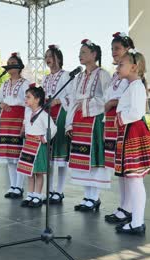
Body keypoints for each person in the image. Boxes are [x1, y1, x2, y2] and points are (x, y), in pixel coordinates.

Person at [114, 49, 150, 235]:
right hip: (129, 132)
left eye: (121, 64)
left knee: (135, 179)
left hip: (133, 132)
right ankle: (135, 220)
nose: (117, 67)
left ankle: (137, 222)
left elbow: (137, 112)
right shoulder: (132, 86)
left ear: (134, 67)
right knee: (132, 179)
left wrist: (120, 118)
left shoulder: (137, 87)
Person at [65, 39, 111, 212]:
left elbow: (106, 98)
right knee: (82, 159)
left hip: (94, 121)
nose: (80, 55)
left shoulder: (103, 74)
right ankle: (87, 196)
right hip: (79, 121)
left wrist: (88, 103)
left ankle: (95, 197)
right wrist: (69, 124)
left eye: (84, 52)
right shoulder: (79, 77)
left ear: (94, 54)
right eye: (80, 52)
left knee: (93, 158)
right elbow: (72, 101)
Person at [103, 32, 136, 224]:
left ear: (127, 50)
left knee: (128, 169)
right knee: (120, 169)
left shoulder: (132, 74)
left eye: (117, 48)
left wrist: (113, 102)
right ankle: (123, 206)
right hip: (113, 122)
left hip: (126, 123)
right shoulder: (116, 75)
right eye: (112, 49)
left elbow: (130, 96)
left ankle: (129, 208)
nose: (114, 52)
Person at [0, 52, 29, 199]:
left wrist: (25, 124)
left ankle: (19, 186)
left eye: (12, 62)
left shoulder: (25, 83)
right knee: (9, 155)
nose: (9, 65)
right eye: (8, 63)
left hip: (18, 119)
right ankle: (13, 186)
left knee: (18, 154)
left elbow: (28, 104)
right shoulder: (4, 84)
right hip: (6, 120)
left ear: (19, 66)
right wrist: (1, 104)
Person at [42, 44, 72, 204]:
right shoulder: (45, 78)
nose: (48, 59)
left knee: (60, 155)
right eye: (46, 56)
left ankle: (59, 190)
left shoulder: (66, 75)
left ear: (58, 58)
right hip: (47, 114)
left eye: (50, 56)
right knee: (50, 156)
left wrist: (59, 100)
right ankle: (50, 190)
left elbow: (72, 96)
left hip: (61, 113)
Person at [18, 86, 57, 208]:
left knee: (39, 173)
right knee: (29, 172)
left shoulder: (43, 115)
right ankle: (30, 194)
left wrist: (45, 138)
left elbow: (54, 128)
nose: (26, 99)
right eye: (26, 97)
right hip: (29, 144)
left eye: (28, 97)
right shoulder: (28, 112)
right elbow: (26, 123)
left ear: (37, 99)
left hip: (39, 146)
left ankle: (37, 195)